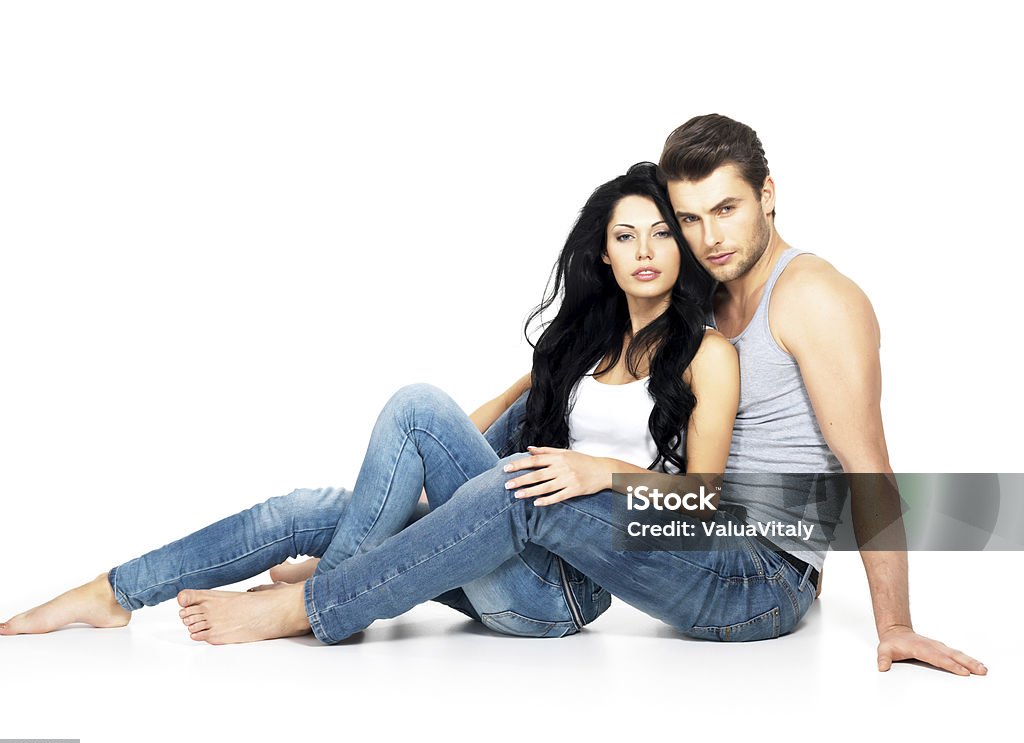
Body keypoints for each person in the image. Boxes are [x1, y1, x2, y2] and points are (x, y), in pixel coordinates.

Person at [152, 115, 985, 676]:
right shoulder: (702, 298)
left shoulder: (814, 299)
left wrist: (895, 626)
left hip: (757, 573)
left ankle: (317, 606)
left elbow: (867, 466)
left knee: (536, 491)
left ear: (770, 195)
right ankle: (307, 572)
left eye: (726, 210)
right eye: (689, 217)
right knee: (495, 459)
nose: (708, 237)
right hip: (692, 530)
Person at [0, 162, 738, 642]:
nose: (644, 249)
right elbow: (464, 451)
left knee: (416, 405)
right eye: (625, 234)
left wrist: (600, 472)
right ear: (603, 255)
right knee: (305, 509)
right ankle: (113, 590)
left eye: (662, 233)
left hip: (557, 594)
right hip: (499, 544)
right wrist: (532, 381)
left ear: (682, 248)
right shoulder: (578, 350)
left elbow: (702, 503)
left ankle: (319, 602)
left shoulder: (704, 354)